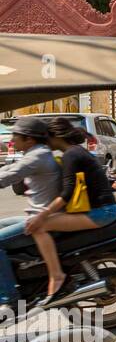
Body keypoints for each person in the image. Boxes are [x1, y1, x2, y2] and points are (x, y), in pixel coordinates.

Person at [26, 117, 116, 301]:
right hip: (101, 209)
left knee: (38, 226)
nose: (45, 143)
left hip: (101, 212)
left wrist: (42, 215)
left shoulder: (71, 155)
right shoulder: (74, 152)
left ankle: (56, 275)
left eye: (46, 138)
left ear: (55, 136)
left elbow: (67, 193)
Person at [0, 118, 62, 311]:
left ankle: (8, 299)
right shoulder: (35, 153)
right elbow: (7, 169)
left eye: (15, 136)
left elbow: (9, 176)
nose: (12, 140)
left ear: (29, 139)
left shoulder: (37, 156)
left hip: (42, 219)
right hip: (34, 215)